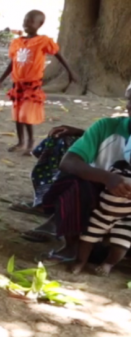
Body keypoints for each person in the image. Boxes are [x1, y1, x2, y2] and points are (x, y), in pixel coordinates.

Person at [32, 83, 131, 263]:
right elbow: (68, 162)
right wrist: (107, 178)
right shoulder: (106, 127)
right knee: (72, 182)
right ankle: (73, 246)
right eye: (130, 99)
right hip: (98, 205)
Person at [0, 10, 76, 155]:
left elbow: (59, 56)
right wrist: (0, 81)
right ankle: (20, 142)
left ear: (40, 24)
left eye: (30, 21)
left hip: (32, 85)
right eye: (25, 20)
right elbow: (12, 63)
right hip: (17, 84)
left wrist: (70, 72)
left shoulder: (43, 41)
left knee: (26, 115)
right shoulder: (17, 42)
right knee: (18, 115)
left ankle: (30, 143)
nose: (26, 23)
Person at [70, 157, 131, 276]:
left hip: (125, 219)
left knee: (121, 244)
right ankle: (80, 261)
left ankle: (108, 264)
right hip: (102, 212)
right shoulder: (119, 166)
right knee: (86, 239)